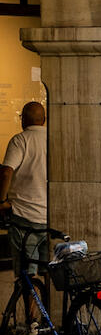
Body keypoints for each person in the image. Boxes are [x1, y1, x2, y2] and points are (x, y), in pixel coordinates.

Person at [0, 102, 48, 307]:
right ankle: (50, 316)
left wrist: (1, 201)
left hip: (24, 218)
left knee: (27, 275)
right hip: (49, 218)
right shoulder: (53, 139)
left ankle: (33, 322)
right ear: (44, 119)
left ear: (23, 120)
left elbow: (6, 171)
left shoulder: (20, 141)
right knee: (47, 272)